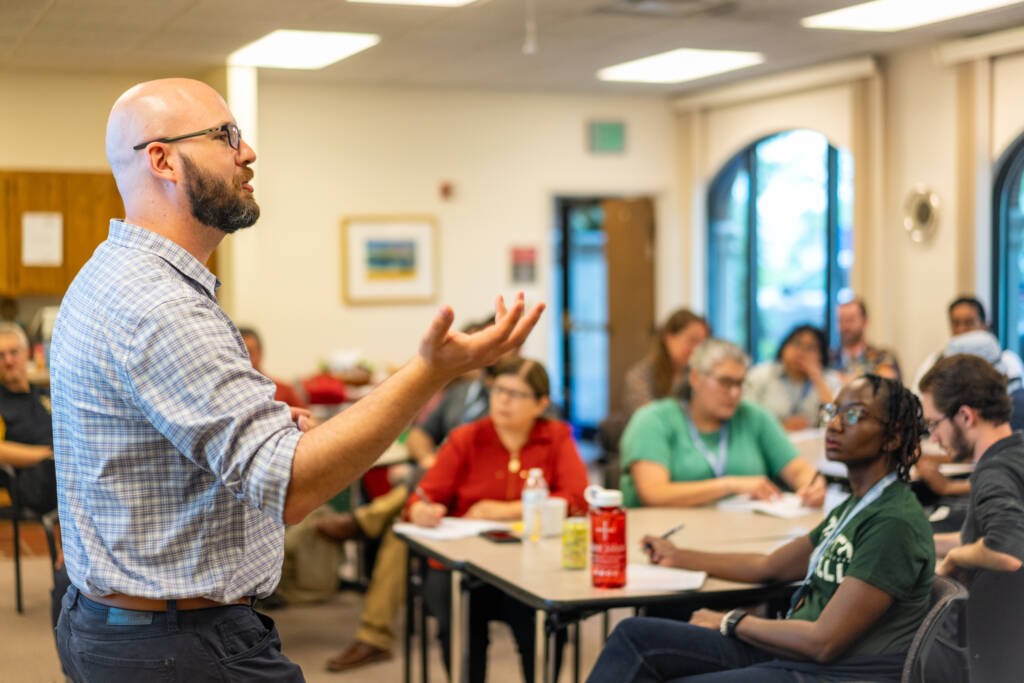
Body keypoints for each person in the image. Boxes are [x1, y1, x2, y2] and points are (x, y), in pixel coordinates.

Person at [50, 77, 542, 681]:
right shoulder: (161, 306)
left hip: (122, 626)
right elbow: (293, 489)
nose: (247, 152)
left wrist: (273, 433)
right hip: (181, 646)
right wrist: (432, 371)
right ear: (162, 159)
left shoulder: (113, 275)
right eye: (225, 136)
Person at [588, 375, 935, 683]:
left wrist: (733, 621)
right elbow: (769, 567)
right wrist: (679, 556)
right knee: (633, 637)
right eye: (832, 411)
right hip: (792, 651)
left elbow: (824, 644)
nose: (835, 425)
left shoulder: (893, 521)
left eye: (854, 414)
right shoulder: (856, 506)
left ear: (894, 437)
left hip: (834, 670)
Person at [406, 357, 587, 683]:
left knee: (545, 624)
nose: (503, 400)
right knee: (460, 626)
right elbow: (423, 497)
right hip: (467, 565)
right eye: (499, 390)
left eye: (516, 394)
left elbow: (576, 499)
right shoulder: (466, 438)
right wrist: (423, 511)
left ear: (541, 403)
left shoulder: (556, 437)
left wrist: (507, 509)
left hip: (530, 563)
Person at [620, 338, 825, 509]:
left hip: (742, 536)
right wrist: (729, 485)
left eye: (740, 383)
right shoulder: (654, 419)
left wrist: (813, 486)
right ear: (695, 378)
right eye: (725, 382)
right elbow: (653, 493)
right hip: (665, 537)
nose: (735, 393)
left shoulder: (754, 417)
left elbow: (798, 470)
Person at [918, 354, 1024, 577]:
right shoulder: (1016, 450)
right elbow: (981, 536)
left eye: (934, 424)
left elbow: (1007, 550)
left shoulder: (994, 473)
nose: (934, 438)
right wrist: (919, 542)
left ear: (966, 416)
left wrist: (958, 556)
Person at [0, 321, 70, 637]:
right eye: (0, 355)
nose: (8, 360)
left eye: (13, 352)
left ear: (27, 354)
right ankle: (71, 552)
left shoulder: (45, 395)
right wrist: (45, 454)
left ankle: (71, 552)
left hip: (61, 474)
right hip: (27, 480)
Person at [911, 295, 1024, 394]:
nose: (962, 329)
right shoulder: (933, 362)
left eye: (969, 322)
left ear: (985, 325)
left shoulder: (1007, 361)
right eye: (955, 323)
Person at [745, 324, 842, 431]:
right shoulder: (760, 375)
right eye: (797, 344)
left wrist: (818, 379)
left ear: (821, 354)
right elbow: (747, 418)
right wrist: (780, 426)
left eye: (811, 348)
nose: (801, 352)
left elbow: (838, 420)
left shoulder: (829, 380)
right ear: (784, 347)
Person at [623, 308, 709, 416]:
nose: (696, 349)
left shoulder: (698, 374)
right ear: (668, 338)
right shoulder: (640, 375)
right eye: (691, 340)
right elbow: (647, 417)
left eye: (702, 343)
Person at [829, 297, 900, 382]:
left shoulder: (883, 357)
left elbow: (892, 389)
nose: (845, 326)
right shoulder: (829, 359)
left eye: (850, 320)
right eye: (841, 320)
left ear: (865, 321)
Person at [238, 326, 308, 409]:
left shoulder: (284, 391)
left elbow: (309, 418)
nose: (245, 359)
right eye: (239, 354)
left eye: (250, 352)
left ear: (260, 353)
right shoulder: (226, 394)